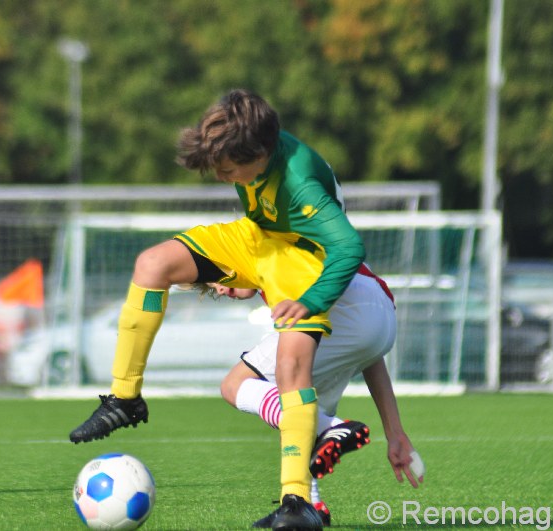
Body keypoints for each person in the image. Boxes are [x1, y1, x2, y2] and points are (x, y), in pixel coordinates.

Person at [70, 89, 367, 529]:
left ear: (261, 154)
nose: (224, 177)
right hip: (257, 240)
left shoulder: (300, 184)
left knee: (290, 366)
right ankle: (125, 398)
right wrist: (247, 278)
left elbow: (348, 245)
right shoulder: (253, 160)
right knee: (152, 265)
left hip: (306, 261)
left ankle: (297, 502)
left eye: (229, 169)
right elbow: (262, 227)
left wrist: (309, 300)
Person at [209, 265, 424, 527]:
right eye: (212, 288)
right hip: (382, 320)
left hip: (349, 306)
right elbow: (371, 352)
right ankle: (310, 504)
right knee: (297, 403)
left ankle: (331, 429)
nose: (219, 288)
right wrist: (395, 431)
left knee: (236, 385)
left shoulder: (266, 254)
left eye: (217, 276)